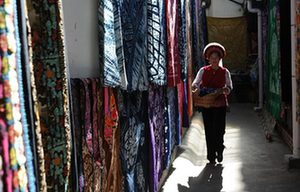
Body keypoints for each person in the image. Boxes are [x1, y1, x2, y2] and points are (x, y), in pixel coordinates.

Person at [192, 42, 233, 164]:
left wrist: (226, 90)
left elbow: (229, 86)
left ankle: (219, 150)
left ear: (219, 59)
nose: (214, 60)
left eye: (216, 58)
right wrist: (195, 88)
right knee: (209, 129)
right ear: (208, 59)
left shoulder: (225, 72)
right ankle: (211, 155)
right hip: (206, 104)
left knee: (219, 129)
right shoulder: (203, 71)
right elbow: (195, 83)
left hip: (220, 104)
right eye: (212, 58)